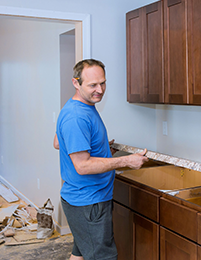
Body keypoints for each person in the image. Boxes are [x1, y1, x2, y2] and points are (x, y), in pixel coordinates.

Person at [54, 59, 148, 260]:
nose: (100, 90)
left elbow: (58, 142)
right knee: (103, 257)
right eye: (92, 85)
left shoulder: (78, 107)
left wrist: (101, 150)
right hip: (89, 203)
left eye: (102, 83)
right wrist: (126, 161)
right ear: (76, 83)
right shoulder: (76, 117)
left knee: (79, 254)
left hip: (83, 201)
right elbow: (82, 166)